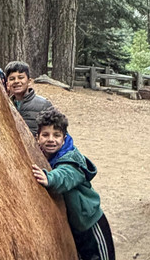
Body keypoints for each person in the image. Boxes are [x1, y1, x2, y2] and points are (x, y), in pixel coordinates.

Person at [31, 107, 115, 260]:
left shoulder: (72, 158)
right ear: (37, 138)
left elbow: (66, 175)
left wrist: (50, 178)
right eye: (45, 135)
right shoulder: (41, 155)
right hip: (72, 226)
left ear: (64, 138)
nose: (51, 139)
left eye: (57, 135)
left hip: (90, 224)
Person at [4, 60, 50, 136]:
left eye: (20, 77)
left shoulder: (43, 105)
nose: (16, 81)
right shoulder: (4, 105)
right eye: (12, 79)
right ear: (7, 84)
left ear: (29, 81)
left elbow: (58, 131)